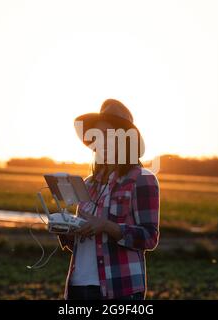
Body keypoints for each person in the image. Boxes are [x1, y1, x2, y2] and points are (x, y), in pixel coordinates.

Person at [58, 98, 160, 300]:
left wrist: (106, 226)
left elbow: (150, 237)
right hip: (78, 287)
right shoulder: (88, 184)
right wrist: (66, 230)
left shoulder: (142, 179)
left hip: (118, 290)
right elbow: (82, 243)